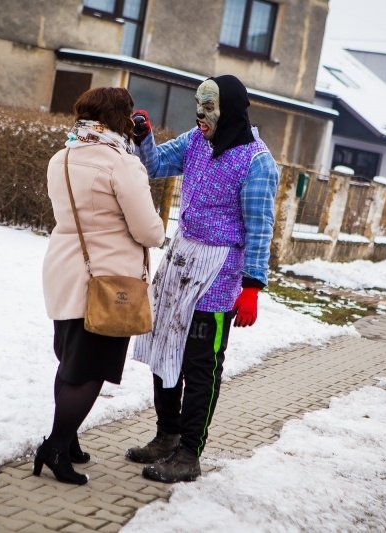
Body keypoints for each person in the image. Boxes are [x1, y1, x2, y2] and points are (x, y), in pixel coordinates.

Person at [125, 75, 279, 483]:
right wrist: (144, 137)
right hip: (180, 262)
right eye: (198, 104)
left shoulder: (256, 161)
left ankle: (189, 454)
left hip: (218, 276)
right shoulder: (196, 140)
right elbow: (155, 165)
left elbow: (260, 228)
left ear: (231, 109)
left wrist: (251, 288)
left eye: (209, 106)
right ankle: (166, 435)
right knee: (164, 351)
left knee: (200, 366)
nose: (201, 113)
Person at [37, 87, 165, 485]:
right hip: (108, 281)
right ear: (121, 120)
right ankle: (55, 447)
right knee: (89, 369)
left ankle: (69, 439)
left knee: (70, 362)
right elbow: (150, 231)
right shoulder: (121, 164)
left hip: (64, 269)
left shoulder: (62, 156)